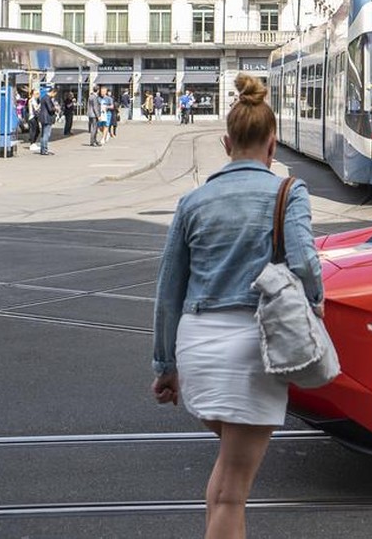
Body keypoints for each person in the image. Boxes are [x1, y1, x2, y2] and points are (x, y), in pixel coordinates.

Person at [151, 73, 321, 539]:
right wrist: (315, 312)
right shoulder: (289, 192)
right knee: (232, 491)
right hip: (253, 349)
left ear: (227, 143)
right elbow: (306, 263)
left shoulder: (193, 200)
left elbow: (169, 289)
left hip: (197, 348)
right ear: (273, 145)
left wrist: (166, 364)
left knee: (226, 481)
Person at [35, 86, 57, 156]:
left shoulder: (44, 97)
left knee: (43, 134)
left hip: (43, 118)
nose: (54, 96)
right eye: (54, 94)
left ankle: (42, 150)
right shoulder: (47, 98)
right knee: (46, 135)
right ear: (52, 92)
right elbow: (50, 109)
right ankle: (44, 150)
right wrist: (55, 108)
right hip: (47, 118)